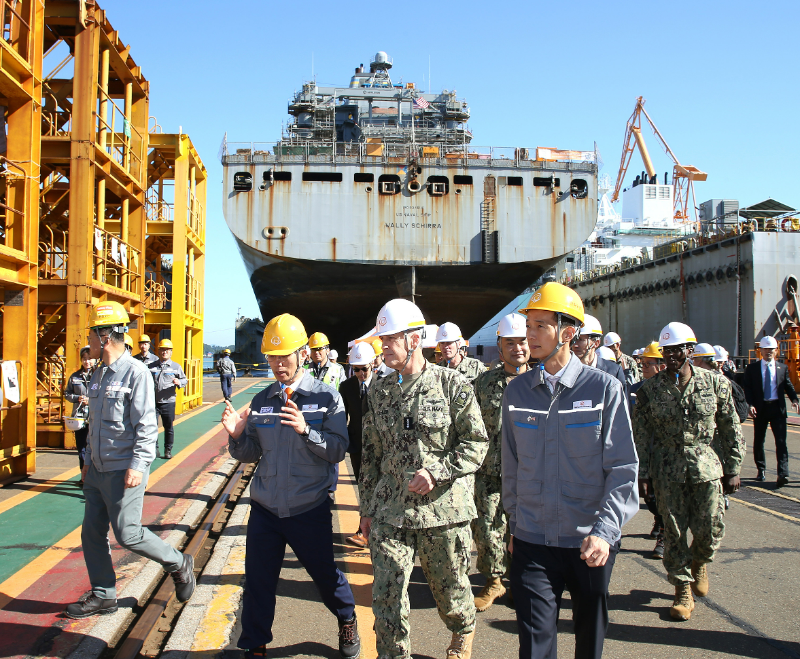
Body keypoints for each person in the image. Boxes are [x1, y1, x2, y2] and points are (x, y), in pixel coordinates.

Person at [502, 282, 639, 659]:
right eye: (528, 325)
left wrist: (605, 532)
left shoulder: (605, 390)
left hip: (588, 543)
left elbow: (623, 469)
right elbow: (510, 466)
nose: (529, 336)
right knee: (534, 647)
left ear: (567, 331)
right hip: (532, 542)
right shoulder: (516, 393)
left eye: (540, 326)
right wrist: (515, 525)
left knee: (588, 642)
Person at [221, 314, 360, 659]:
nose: (278, 365)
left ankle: (346, 617)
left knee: (325, 575)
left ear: (301, 354)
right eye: (272, 357)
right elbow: (251, 451)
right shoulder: (263, 400)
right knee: (258, 580)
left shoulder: (327, 398)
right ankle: (255, 644)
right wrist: (238, 436)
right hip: (266, 507)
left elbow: (338, 450)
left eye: (285, 357)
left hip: (307, 507)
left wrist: (305, 430)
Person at [359, 299, 488, 659]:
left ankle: (462, 632)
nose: (382, 346)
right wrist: (367, 510)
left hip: (442, 513)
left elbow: (477, 443)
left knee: (451, 597)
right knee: (386, 596)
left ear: (414, 340)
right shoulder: (378, 391)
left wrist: (437, 471)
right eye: (381, 339)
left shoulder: (453, 385)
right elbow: (371, 456)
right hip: (390, 511)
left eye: (390, 339)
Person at [65, 302, 194, 619]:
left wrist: (138, 466)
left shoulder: (135, 374)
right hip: (97, 469)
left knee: (128, 534)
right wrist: (86, 462)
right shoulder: (97, 374)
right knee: (91, 533)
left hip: (124, 469)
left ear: (105, 335)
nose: (90, 341)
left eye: (93, 334)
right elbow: (94, 422)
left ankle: (177, 562)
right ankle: (104, 594)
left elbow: (148, 427)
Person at [632, 322, 744, 621]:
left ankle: (700, 560)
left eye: (677, 350)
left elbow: (731, 425)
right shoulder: (650, 390)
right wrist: (642, 473)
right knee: (674, 531)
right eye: (667, 351)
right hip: (667, 469)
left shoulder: (715, 383)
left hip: (706, 466)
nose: (671, 356)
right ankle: (682, 588)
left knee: (711, 528)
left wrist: (733, 467)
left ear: (690, 351)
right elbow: (640, 433)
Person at [472, 313, 529, 612]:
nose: (517, 347)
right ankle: (494, 581)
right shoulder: (482, 384)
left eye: (522, 341)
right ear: (500, 345)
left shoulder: (542, 382)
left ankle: (522, 579)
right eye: (511, 342)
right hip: (491, 471)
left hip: (532, 473)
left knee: (527, 529)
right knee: (487, 528)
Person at [743, 336, 799, 487]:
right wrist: (750, 404)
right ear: (760, 350)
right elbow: (747, 388)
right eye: (766, 349)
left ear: (776, 351)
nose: (768, 352)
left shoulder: (782, 368)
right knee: (759, 441)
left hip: (777, 409)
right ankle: (761, 469)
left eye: (771, 349)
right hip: (760, 409)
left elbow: (788, 386)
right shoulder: (752, 369)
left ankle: (783, 473)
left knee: (781, 442)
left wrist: (795, 400)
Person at [630, 341, 667, 558]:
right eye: (642, 363)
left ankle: (664, 535)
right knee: (650, 498)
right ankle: (658, 519)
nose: (642, 367)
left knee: (665, 498)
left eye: (647, 364)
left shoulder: (669, 391)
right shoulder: (635, 390)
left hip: (665, 456)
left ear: (660, 366)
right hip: (642, 453)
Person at [339, 341, 376, 548]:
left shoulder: (383, 384)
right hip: (356, 447)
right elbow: (341, 417)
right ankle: (364, 529)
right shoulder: (346, 387)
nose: (361, 373)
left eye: (364, 369)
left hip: (380, 449)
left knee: (380, 488)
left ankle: (375, 529)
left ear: (373, 365)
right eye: (356, 369)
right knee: (363, 487)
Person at [149, 339, 188, 459]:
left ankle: (168, 450)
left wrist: (179, 382)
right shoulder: (151, 367)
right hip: (153, 402)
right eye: (162, 349)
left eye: (167, 350)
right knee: (152, 427)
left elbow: (185, 380)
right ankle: (155, 449)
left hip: (168, 402)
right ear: (159, 351)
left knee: (168, 427)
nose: (164, 352)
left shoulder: (176, 367)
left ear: (171, 352)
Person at [64, 346, 95, 485]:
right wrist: (77, 398)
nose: (87, 362)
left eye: (89, 359)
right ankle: (84, 477)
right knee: (81, 447)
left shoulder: (99, 376)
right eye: (84, 359)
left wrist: (92, 400)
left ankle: (95, 478)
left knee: (94, 448)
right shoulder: (75, 377)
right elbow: (67, 394)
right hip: (80, 418)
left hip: (95, 417)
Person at [572, 314, 627, 390]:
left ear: (596, 343)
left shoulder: (613, 371)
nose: (574, 345)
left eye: (580, 339)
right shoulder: (564, 370)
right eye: (573, 339)